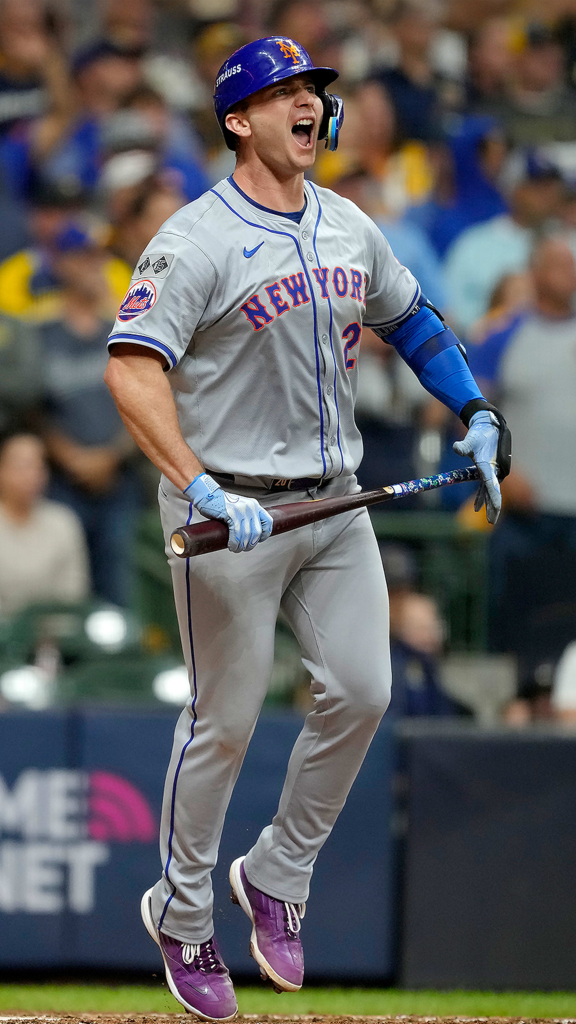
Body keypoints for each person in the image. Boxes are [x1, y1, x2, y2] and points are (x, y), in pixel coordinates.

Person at [104, 36, 510, 1020]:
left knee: (366, 689)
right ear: (239, 119)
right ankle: (184, 908)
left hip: (331, 498)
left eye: (313, 92)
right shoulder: (196, 238)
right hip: (230, 508)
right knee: (224, 722)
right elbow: (131, 367)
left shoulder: (347, 225)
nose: (307, 105)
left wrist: (475, 409)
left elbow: (412, 322)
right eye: (283, 91)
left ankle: (279, 873)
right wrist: (198, 485)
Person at [40, 225, 142, 607]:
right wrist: (67, 454)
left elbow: (145, 399)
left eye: (97, 257)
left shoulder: (121, 329)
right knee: (67, 591)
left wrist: (110, 456)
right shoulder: (42, 331)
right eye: (83, 258)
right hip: (61, 481)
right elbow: (33, 408)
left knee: (120, 586)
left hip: (118, 478)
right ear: (61, 264)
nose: (94, 266)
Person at [0, 433, 89, 617]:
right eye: (22, 466)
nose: (32, 475)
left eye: (39, 466)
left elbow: (74, 594)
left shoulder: (63, 521)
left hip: (53, 633)